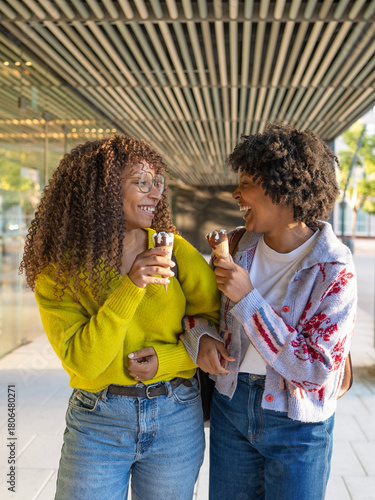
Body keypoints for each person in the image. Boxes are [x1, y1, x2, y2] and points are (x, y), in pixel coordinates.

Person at [20, 135, 220, 500]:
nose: (155, 193)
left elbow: (215, 324)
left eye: (157, 182)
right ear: (103, 190)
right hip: (98, 421)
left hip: (175, 413)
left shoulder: (176, 251)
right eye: (140, 182)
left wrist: (169, 359)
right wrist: (132, 285)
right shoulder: (59, 273)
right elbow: (85, 361)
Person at [182, 122, 357, 500]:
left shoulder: (334, 269)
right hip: (232, 410)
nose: (236, 194)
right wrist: (203, 338)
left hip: (299, 426)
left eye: (246, 182)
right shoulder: (234, 245)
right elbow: (193, 311)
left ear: (282, 190)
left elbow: (314, 370)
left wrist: (248, 300)